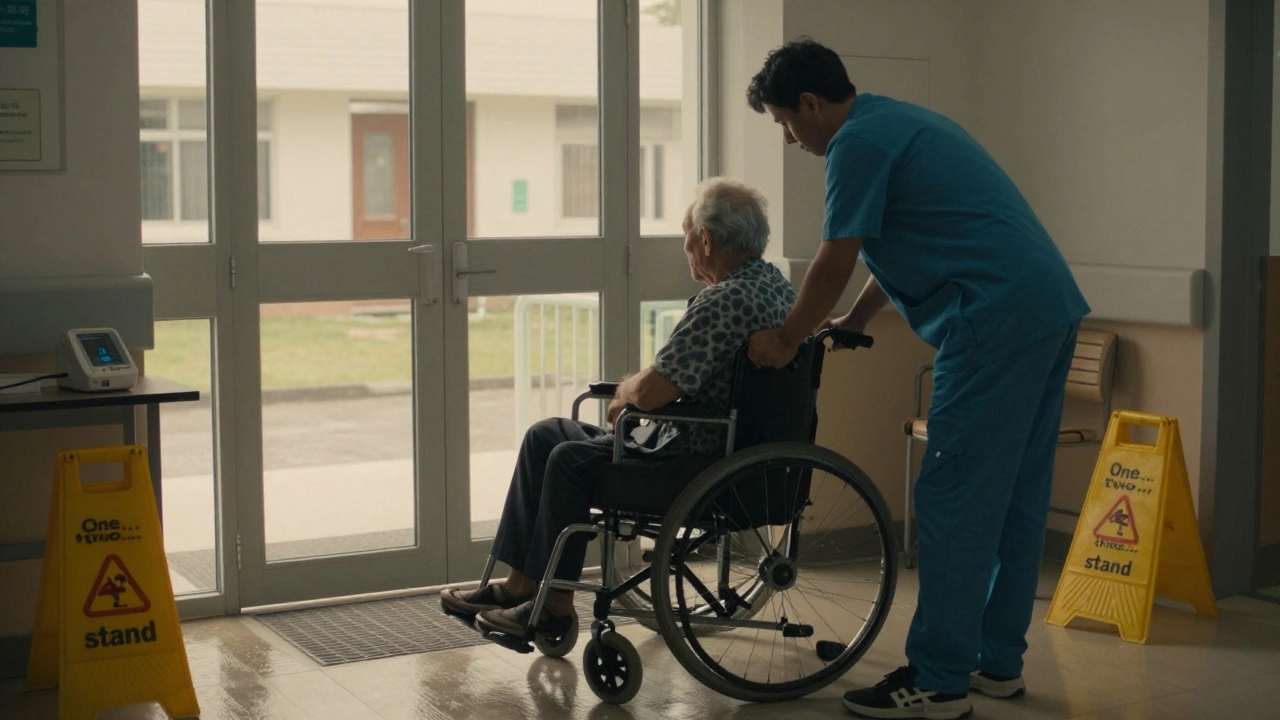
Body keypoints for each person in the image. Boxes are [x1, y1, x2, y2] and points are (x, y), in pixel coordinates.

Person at [744, 38, 1090, 720]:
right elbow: (903, 240)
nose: (788, 139)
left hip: (992, 321)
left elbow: (835, 259)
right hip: (1046, 309)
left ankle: (938, 679)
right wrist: (857, 316)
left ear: (810, 104)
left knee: (953, 497)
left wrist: (786, 339)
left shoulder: (854, 145)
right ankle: (997, 662)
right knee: (1016, 498)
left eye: (784, 122)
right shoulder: (895, 120)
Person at [439, 178, 797, 642]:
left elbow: (651, 392)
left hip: (694, 462)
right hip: (730, 453)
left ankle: (555, 607)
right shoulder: (777, 288)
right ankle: (520, 585)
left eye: (686, 234)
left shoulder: (723, 302)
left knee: (568, 460)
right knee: (545, 435)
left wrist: (627, 392)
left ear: (706, 240)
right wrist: (638, 393)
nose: (685, 245)